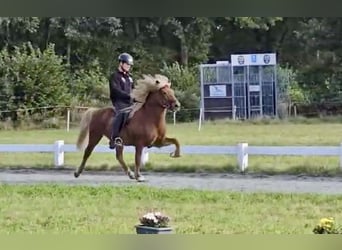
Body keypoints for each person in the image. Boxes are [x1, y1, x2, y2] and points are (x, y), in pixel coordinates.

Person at [108, 52, 135, 149]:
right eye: (127, 64)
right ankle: (114, 138)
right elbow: (116, 91)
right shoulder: (114, 76)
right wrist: (129, 96)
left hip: (130, 101)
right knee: (122, 112)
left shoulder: (130, 77)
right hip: (119, 102)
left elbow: (134, 88)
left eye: (130, 65)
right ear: (121, 63)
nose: (129, 67)